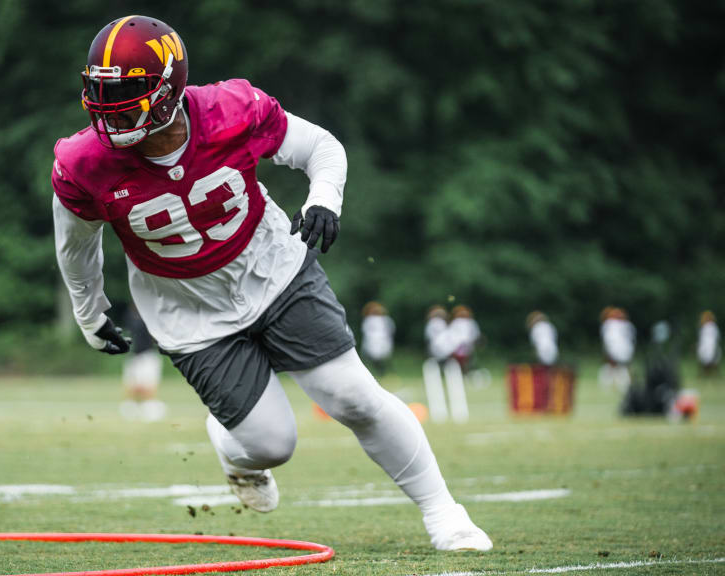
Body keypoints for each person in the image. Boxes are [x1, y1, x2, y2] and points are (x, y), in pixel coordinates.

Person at [52, 15, 491, 551]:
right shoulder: (83, 163)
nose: (109, 108)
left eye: (125, 93)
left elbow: (322, 148)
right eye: (101, 91)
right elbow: (76, 245)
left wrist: (324, 197)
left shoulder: (230, 110)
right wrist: (89, 311)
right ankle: (231, 445)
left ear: (168, 88)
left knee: (352, 396)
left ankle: (445, 514)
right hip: (188, 311)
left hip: (272, 269)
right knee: (270, 442)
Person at [120, 305, 166, 421]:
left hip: (148, 355)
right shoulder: (131, 318)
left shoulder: (149, 321)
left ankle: (148, 409)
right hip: (135, 356)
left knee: (149, 385)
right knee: (132, 385)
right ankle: (133, 408)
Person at [599, 306, 635, 392]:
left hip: (618, 348)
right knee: (619, 367)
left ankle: (617, 385)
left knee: (616, 367)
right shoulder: (625, 325)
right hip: (622, 349)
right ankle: (621, 385)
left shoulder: (610, 324)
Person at [360, 301, 395, 375]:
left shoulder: (385, 319)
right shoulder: (369, 320)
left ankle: (384, 372)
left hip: (383, 341)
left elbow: (390, 329)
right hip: (373, 342)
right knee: (372, 358)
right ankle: (378, 372)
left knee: (383, 358)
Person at [696, 310, 720, 376]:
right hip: (706, 347)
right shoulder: (707, 327)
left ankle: (709, 373)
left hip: (709, 347)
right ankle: (707, 373)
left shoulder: (711, 327)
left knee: (710, 359)